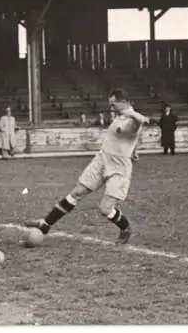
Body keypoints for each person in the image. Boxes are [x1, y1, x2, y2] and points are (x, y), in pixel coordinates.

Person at [25, 88, 150, 244]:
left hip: (118, 168)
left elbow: (141, 122)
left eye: (113, 104)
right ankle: (46, 224)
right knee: (77, 192)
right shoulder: (119, 116)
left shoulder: (131, 119)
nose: (111, 107)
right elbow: (132, 138)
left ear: (123, 102)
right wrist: (134, 150)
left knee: (105, 209)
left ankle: (125, 228)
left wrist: (130, 113)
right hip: (102, 159)